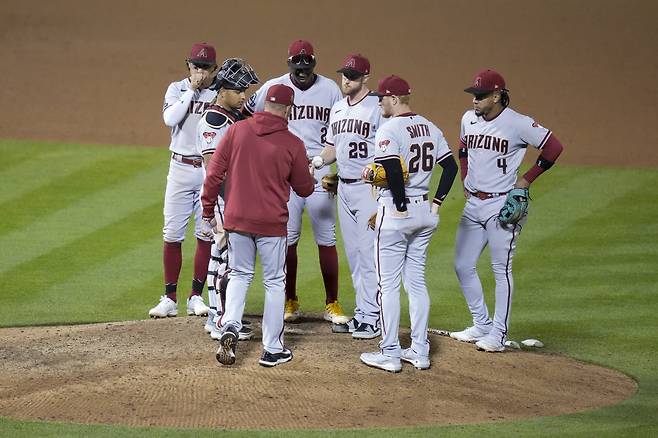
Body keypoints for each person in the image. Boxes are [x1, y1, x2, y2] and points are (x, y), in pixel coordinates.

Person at [450, 69, 564, 352]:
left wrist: (526, 180)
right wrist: (466, 177)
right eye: (473, 95)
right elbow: (463, 148)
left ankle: (498, 335)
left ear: (498, 95)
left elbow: (553, 147)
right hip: (473, 203)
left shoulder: (518, 123)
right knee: (463, 265)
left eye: (481, 95)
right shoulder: (468, 119)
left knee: (501, 270)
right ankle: (481, 323)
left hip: (501, 204)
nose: (475, 100)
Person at [202, 84, 315, 367]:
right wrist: (309, 174)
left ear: (265, 105)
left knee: (240, 274)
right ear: (288, 109)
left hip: (237, 218)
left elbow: (213, 173)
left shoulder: (237, 130)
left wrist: (208, 211)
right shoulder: (293, 143)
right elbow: (305, 190)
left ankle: (230, 326)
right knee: (275, 282)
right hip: (272, 224)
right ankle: (272, 349)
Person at [243, 40, 348, 324]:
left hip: (319, 173)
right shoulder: (272, 87)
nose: (302, 70)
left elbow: (342, 131)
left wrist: (337, 168)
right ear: (289, 63)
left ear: (313, 63)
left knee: (326, 240)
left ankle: (332, 303)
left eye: (307, 64)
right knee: (287, 240)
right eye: (297, 64)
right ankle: (290, 300)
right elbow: (247, 117)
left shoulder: (330, 90)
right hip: (282, 177)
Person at [359, 75, 458, 372]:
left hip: (397, 214)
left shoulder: (389, 129)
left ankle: (389, 353)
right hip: (425, 213)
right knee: (415, 283)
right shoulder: (430, 126)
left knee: (387, 286)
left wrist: (396, 206)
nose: (378, 102)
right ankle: (420, 350)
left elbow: (390, 168)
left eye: (381, 98)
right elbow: (450, 168)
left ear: (393, 99)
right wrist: (437, 202)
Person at [310, 54, 383, 339]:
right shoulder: (338, 108)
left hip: (370, 189)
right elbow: (332, 148)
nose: (347, 80)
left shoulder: (377, 106)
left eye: (353, 76)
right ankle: (363, 314)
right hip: (344, 188)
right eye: (344, 75)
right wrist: (318, 162)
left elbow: (389, 148)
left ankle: (376, 316)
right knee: (353, 254)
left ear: (366, 77)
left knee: (369, 253)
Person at [149, 42, 219, 318]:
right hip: (179, 167)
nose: (199, 72)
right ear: (187, 66)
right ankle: (169, 298)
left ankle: (196, 297)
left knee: (205, 233)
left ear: (215, 69)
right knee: (172, 234)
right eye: (195, 66)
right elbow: (170, 119)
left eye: (205, 67)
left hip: (207, 170)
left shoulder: (218, 94)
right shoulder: (176, 89)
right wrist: (191, 90)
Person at [195, 58, 259, 341]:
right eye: (239, 90)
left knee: (220, 256)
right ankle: (221, 318)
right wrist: (231, 200)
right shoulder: (213, 120)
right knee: (227, 258)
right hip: (223, 197)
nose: (244, 95)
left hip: (228, 198)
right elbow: (214, 168)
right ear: (223, 91)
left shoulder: (232, 117)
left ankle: (216, 315)